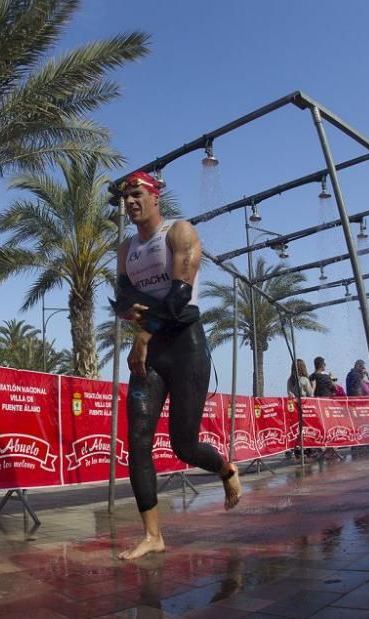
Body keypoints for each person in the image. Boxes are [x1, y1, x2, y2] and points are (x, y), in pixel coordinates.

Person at [109, 171, 242, 561]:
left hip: (186, 346)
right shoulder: (125, 249)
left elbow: (180, 298)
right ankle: (153, 535)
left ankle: (224, 470)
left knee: (183, 444)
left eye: (137, 194)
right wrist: (131, 314)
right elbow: (121, 300)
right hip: (149, 350)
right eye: (125, 197)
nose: (130, 202)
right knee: (137, 441)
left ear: (155, 197)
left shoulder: (179, 232)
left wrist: (143, 333)